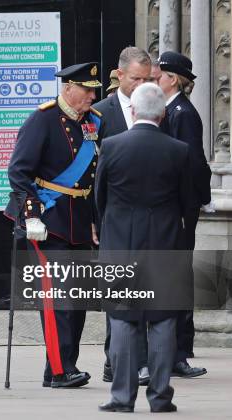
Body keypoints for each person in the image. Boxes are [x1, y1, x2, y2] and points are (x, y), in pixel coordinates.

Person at [5, 62, 102, 388]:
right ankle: (62, 370)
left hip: (80, 221)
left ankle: (60, 366)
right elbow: (19, 172)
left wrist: (95, 221)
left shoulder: (94, 122)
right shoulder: (42, 120)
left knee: (78, 299)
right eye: (86, 90)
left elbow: (93, 179)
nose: (92, 96)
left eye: (93, 90)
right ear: (68, 88)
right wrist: (32, 214)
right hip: (51, 220)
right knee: (58, 298)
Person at [96, 82, 189, 413]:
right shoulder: (178, 151)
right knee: (163, 321)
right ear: (163, 114)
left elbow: (100, 197)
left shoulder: (111, 145)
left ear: (133, 111)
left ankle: (122, 397)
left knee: (122, 319)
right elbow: (187, 202)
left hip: (120, 244)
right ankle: (161, 397)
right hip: (164, 245)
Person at [94, 47, 152, 384]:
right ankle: (115, 359)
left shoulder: (156, 111)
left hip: (148, 219)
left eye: (147, 79)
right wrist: (96, 220)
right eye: (136, 79)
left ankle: (127, 361)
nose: (142, 85)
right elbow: (94, 176)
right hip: (113, 219)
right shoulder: (100, 114)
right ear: (119, 75)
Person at [158, 50, 211, 379]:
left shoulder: (182, 113)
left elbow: (191, 163)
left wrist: (189, 205)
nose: (156, 80)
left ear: (173, 79)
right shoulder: (170, 110)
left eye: (160, 75)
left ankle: (181, 348)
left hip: (179, 210)